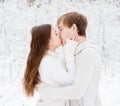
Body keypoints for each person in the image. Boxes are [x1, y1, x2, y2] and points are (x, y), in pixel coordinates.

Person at [36, 12, 102, 106]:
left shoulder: (88, 53)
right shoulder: (68, 55)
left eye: (61, 29)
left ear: (74, 28)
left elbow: (77, 91)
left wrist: (45, 91)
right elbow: (61, 84)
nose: (58, 34)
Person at [23, 24, 78, 106]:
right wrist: (69, 53)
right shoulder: (47, 62)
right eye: (55, 33)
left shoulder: (50, 59)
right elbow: (70, 82)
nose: (59, 34)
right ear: (49, 41)